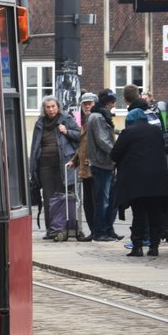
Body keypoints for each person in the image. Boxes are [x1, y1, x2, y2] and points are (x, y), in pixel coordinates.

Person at [111, 107, 168, 257]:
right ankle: (154, 247)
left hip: (137, 181)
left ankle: (137, 247)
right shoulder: (155, 131)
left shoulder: (128, 132)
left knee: (139, 213)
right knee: (154, 213)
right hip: (157, 179)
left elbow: (114, 154)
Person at [29, 95, 80, 238]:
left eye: (53, 106)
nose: (51, 110)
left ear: (58, 107)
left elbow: (79, 135)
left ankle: (62, 229)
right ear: (44, 109)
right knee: (48, 197)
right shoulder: (40, 123)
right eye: (48, 107)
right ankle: (51, 230)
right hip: (45, 166)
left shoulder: (66, 119)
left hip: (62, 164)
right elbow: (34, 146)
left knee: (62, 196)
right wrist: (32, 168)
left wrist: (66, 131)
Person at [86, 89, 119, 241]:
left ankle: (106, 229)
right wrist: (116, 153)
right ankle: (100, 232)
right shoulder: (98, 117)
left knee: (107, 199)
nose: (114, 105)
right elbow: (102, 140)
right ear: (107, 102)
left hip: (104, 163)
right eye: (112, 102)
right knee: (103, 200)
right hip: (102, 163)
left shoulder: (99, 116)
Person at [66, 92, 97, 239]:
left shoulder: (96, 119)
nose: (88, 106)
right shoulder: (85, 121)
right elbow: (82, 145)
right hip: (85, 168)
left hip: (95, 166)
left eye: (90, 103)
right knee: (88, 203)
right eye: (85, 104)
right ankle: (94, 231)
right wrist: (75, 160)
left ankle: (99, 231)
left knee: (96, 201)